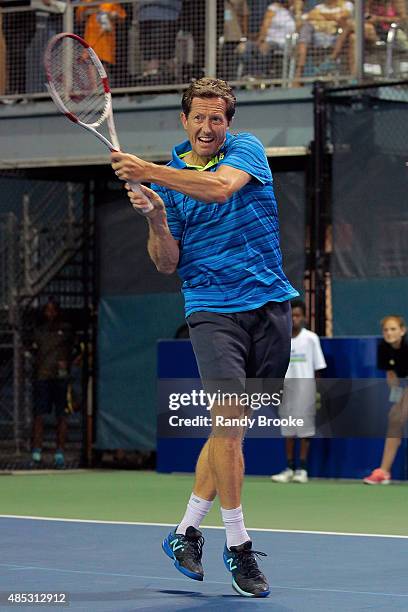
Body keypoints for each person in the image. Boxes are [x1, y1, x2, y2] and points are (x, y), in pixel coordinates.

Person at [111, 77, 298, 597]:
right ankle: (238, 548)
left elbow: (219, 189)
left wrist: (149, 173)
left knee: (229, 433)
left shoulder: (247, 150)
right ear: (184, 120)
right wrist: (154, 216)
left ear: (228, 123)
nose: (208, 127)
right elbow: (168, 262)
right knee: (231, 427)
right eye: (200, 117)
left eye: (217, 118)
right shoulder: (169, 181)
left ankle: (184, 531)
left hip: (269, 304)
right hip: (212, 308)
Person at [271, 299, 326, 483]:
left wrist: (316, 393)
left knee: (305, 432)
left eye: (297, 315)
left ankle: (302, 469)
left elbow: (318, 368)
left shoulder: (311, 338)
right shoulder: (279, 338)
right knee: (288, 432)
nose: (294, 319)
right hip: (285, 393)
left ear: (303, 317)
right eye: (291, 315)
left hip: (306, 393)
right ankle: (289, 468)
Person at [30, 298, 74, 469]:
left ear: (57, 312)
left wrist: (67, 363)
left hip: (61, 378)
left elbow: (76, 350)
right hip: (42, 377)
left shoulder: (67, 331)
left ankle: (59, 453)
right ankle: (36, 452)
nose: (50, 314)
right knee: (39, 416)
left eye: (52, 310)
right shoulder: (39, 332)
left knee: (61, 416)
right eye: (47, 310)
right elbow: (32, 351)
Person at [364, 315, 408, 485]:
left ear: (402, 331)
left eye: (393, 329)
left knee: (398, 416)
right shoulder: (383, 348)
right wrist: (397, 400)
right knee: (394, 420)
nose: (389, 333)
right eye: (386, 330)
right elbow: (391, 376)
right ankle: (383, 472)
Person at [292, 0, 353, 86]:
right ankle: (299, 70)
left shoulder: (346, 4)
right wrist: (330, 17)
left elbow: (341, 17)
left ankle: (332, 58)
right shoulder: (319, 7)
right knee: (306, 27)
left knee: (347, 25)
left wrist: (320, 16)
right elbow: (307, 16)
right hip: (316, 36)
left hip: (335, 36)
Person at [76, 0, 126, 86]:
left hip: (106, 39)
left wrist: (112, 15)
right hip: (91, 37)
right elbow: (79, 17)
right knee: (91, 62)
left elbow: (121, 17)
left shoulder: (111, 2)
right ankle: (95, 89)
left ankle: (103, 88)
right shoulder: (87, 1)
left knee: (103, 64)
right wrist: (88, 12)